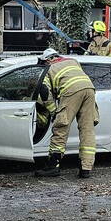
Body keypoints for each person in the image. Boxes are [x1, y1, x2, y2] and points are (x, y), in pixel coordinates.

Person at [36, 48, 98, 178]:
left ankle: (53, 166)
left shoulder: (49, 68)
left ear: (48, 60)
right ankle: (85, 168)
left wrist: (54, 112)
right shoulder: (73, 61)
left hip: (71, 92)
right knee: (87, 129)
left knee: (61, 127)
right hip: (89, 90)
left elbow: (44, 92)